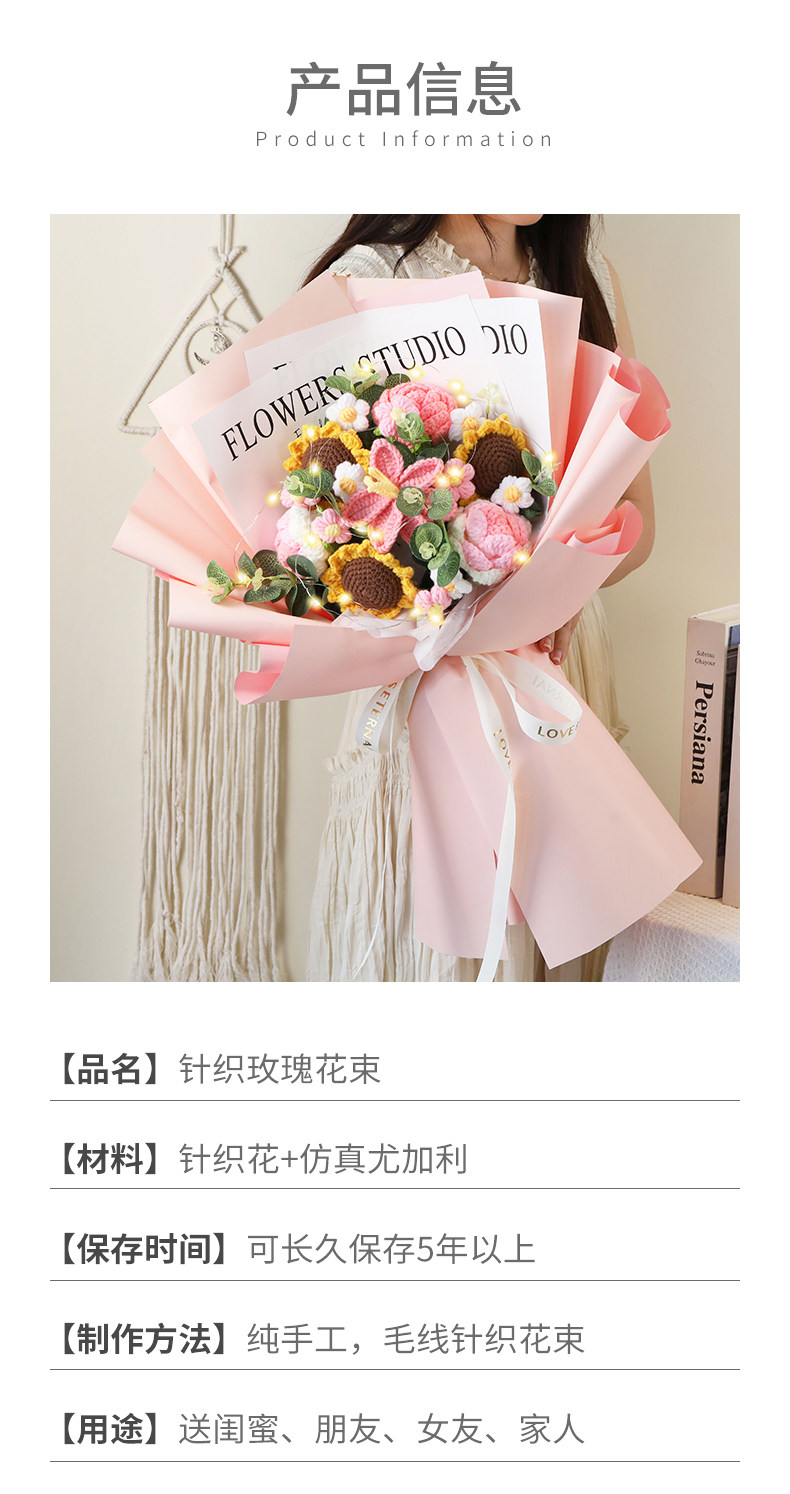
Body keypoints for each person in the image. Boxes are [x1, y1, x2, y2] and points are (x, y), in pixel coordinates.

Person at [303, 215, 655, 982]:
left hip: (557, 662)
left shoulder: (586, 275)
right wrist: (450, 599)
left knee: (554, 935)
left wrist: (545, 593)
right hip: (429, 672)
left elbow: (638, 525)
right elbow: (316, 536)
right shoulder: (366, 279)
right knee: (431, 946)